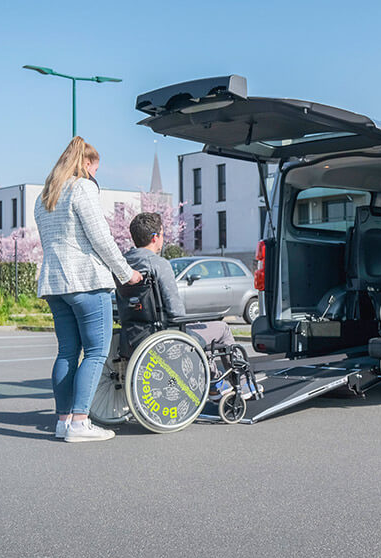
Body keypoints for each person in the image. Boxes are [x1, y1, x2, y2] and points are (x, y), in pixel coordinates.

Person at [35, 136, 143, 443]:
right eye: (95, 168)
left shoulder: (45, 196)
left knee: (67, 351)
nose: (96, 174)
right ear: (86, 163)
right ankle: (81, 423)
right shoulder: (82, 187)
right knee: (96, 352)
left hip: (54, 284)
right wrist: (126, 273)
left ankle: (63, 421)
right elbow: (100, 237)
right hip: (85, 281)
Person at [123, 212, 247, 398]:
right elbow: (175, 311)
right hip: (165, 335)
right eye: (163, 234)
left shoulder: (124, 263)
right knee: (221, 328)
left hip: (133, 335)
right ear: (155, 237)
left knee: (199, 332)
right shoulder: (159, 264)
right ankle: (242, 385)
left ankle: (214, 383)